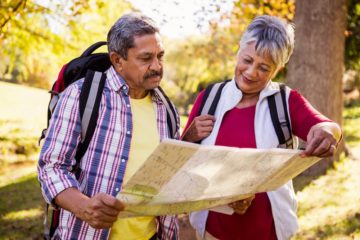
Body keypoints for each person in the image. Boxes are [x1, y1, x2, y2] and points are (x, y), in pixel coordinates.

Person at [182, 15, 342, 240]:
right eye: (247, 60)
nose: (251, 72)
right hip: (212, 231)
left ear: (277, 69)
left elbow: (325, 125)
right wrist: (189, 137)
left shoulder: (285, 102)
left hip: (269, 232)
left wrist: (328, 132)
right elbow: (180, 162)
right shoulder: (209, 98)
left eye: (264, 67)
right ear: (238, 50)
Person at [38, 12, 179, 240]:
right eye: (146, 58)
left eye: (160, 56)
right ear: (117, 60)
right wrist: (84, 206)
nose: (157, 66)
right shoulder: (81, 95)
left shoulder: (167, 109)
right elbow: (51, 167)